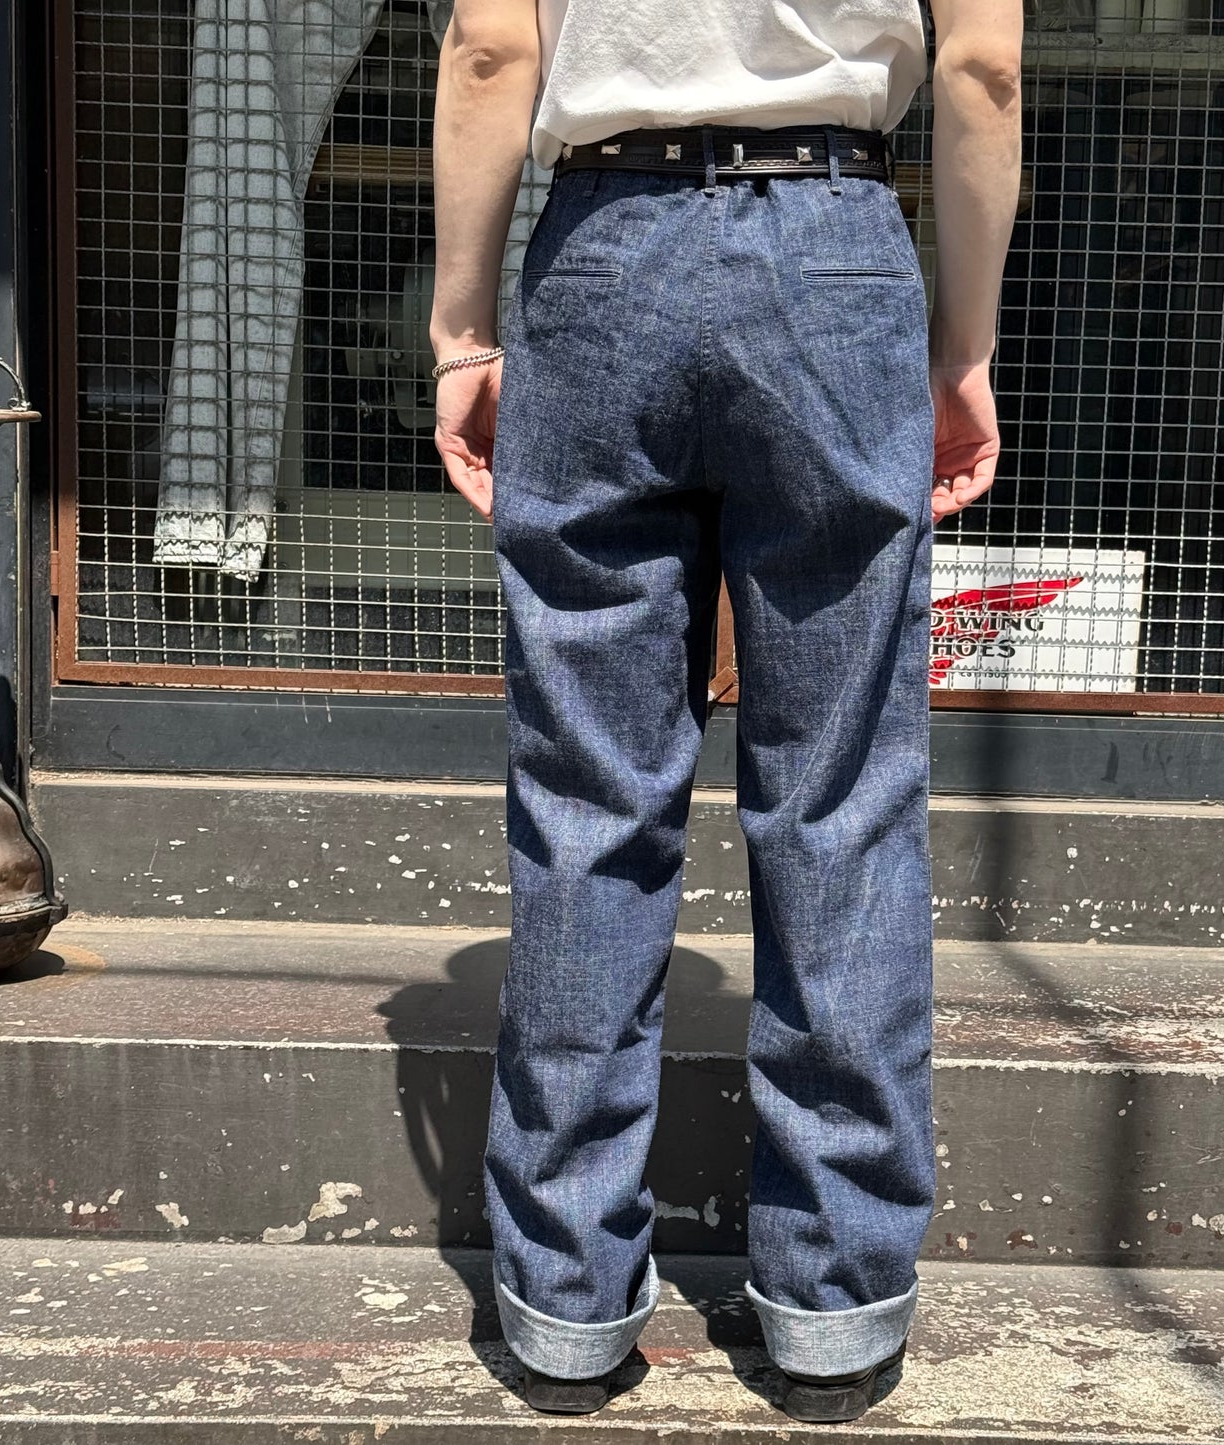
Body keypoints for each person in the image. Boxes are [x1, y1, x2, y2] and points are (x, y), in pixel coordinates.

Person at [429, 0, 1022, 1423]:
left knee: (590, 800)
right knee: (841, 801)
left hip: (602, 249)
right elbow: (983, 66)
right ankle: (834, 1310)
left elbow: (491, 48)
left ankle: (565, 1307)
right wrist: (961, 344)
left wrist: (460, 329)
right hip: (835, 249)